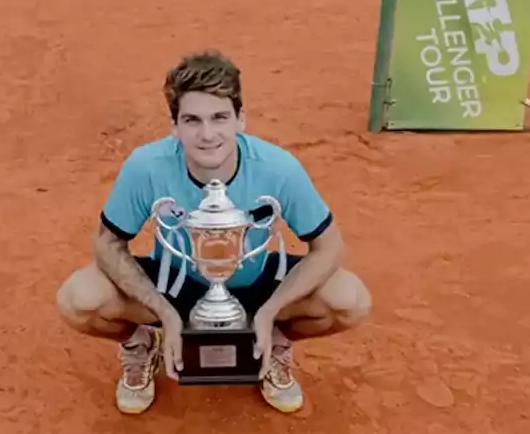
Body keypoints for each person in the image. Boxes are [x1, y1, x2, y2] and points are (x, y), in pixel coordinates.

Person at [55, 50, 371, 415]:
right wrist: (164, 313)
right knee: (78, 299)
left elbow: (329, 246)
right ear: (174, 126)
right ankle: (141, 345)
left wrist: (271, 311)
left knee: (349, 300)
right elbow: (108, 244)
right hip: (174, 284)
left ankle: (275, 341)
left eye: (220, 118)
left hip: (255, 287)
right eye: (192, 120)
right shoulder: (146, 167)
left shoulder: (279, 168)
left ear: (241, 120)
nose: (207, 135)